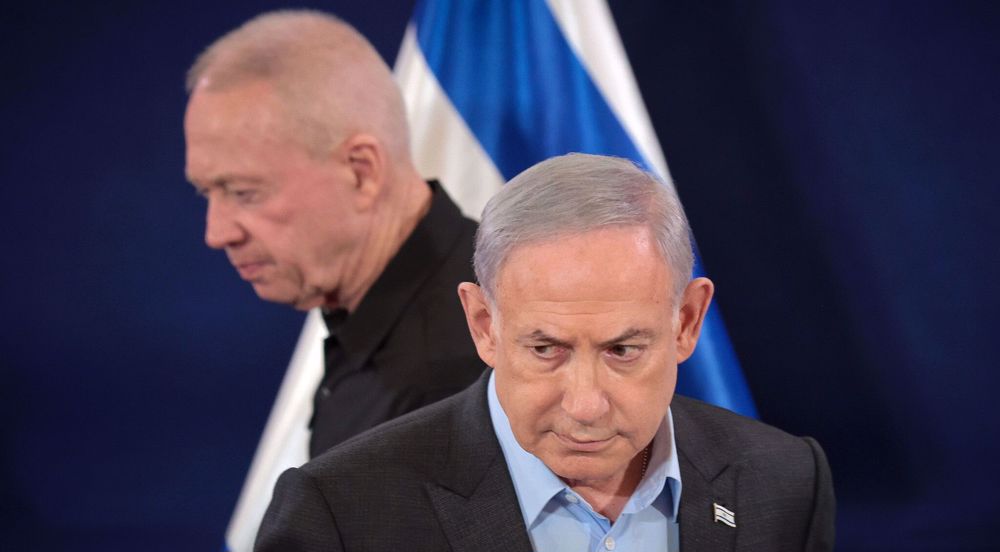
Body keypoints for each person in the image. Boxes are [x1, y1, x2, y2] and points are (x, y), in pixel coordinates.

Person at [255, 153, 836, 551]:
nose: (585, 405)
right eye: (546, 349)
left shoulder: (783, 483)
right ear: (483, 325)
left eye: (624, 349)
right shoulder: (342, 514)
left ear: (686, 321)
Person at [183, 10, 484, 457]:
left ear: (360, 172)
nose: (216, 233)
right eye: (205, 192)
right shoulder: (379, 324)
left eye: (244, 192)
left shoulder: (453, 384)